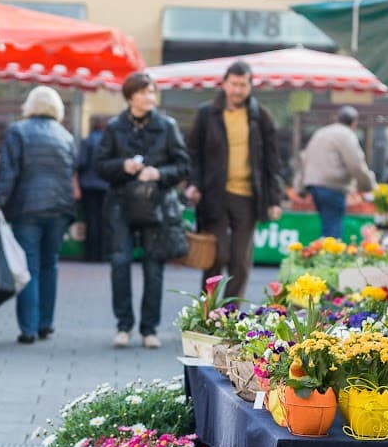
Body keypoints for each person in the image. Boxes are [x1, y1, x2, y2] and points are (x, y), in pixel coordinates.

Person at [97, 72, 189, 349]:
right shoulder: (114, 127)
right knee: (120, 263)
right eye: (143, 92)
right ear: (130, 97)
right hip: (121, 205)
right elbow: (100, 166)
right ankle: (124, 326)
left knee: (154, 267)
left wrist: (158, 173)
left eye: (152, 92)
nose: (149, 97)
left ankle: (150, 329)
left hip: (157, 206)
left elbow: (184, 165)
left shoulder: (167, 126)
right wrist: (121, 166)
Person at [185, 60, 283, 301]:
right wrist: (194, 183)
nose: (238, 90)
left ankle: (228, 315)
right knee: (217, 257)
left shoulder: (261, 116)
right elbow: (193, 153)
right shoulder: (207, 113)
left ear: (250, 86)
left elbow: (272, 161)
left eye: (243, 84)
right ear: (224, 84)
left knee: (240, 260)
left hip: (248, 196)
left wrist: (275, 199)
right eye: (234, 84)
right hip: (214, 194)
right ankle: (207, 312)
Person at [0, 86, 76, 345]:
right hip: (60, 207)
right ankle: (45, 323)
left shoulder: (18, 130)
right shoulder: (66, 136)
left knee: (28, 266)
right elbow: (70, 172)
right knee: (50, 263)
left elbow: (9, 171)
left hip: (27, 207)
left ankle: (28, 328)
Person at [296, 106, 377, 241]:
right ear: (354, 123)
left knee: (327, 225)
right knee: (332, 231)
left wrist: (300, 187)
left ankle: (324, 254)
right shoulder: (346, 134)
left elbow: (305, 159)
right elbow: (356, 164)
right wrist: (367, 186)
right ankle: (328, 258)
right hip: (331, 186)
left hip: (314, 185)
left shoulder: (322, 132)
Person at [75, 113, 110, 263]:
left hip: (88, 185)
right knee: (103, 220)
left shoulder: (87, 141)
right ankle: (102, 254)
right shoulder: (110, 142)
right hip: (106, 186)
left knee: (91, 220)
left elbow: (81, 163)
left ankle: (91, 254)